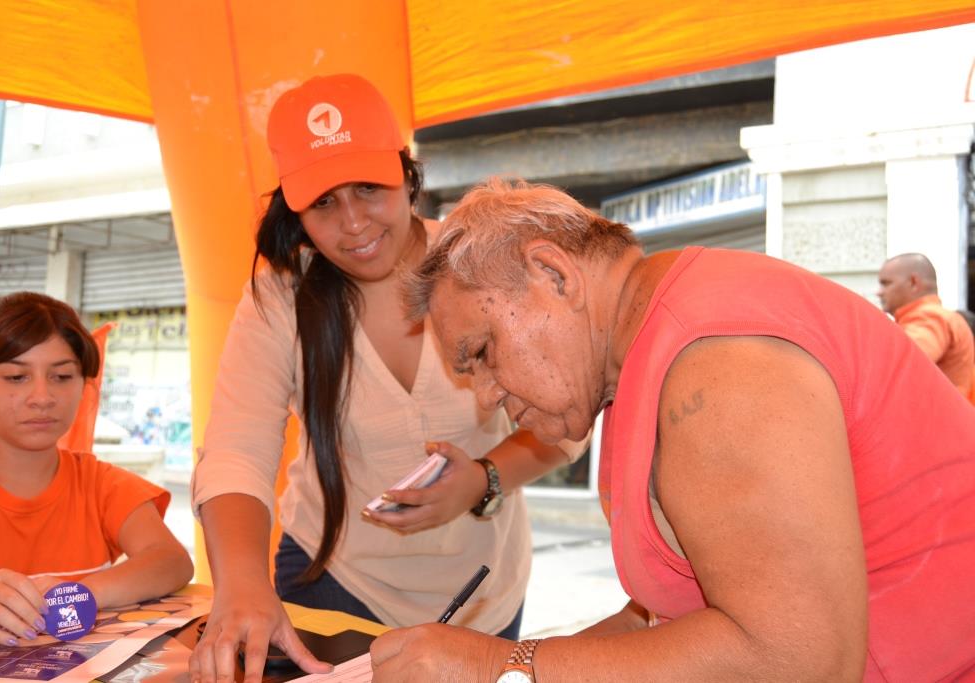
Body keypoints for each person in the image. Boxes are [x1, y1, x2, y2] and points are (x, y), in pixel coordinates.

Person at [372, 179, 975, 682]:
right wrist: (509, 667)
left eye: (482, 352)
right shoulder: (655, 350)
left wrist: (502, 662)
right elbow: (663, 620)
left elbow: (798, 659)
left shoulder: (711, 364)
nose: (486, 396)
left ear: (553, 275)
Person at [188, 75, 585, 682]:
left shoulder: (483, 264)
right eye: (323, 202)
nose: (353, 224)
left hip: (481, 593)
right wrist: (241, 586)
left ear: (407, 174)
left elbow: (567, 416)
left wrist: (484, 478)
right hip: (334, 579)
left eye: (369, 188)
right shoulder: (278, 297)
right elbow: (237, 450)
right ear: (294, 210)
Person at [0, 292, 193, 646]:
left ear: (85, 384)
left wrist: (80, 592)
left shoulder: (101, 484)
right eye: (17, 377)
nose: (42, 397)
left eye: (62, 377)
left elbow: (171, 561)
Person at [877, 252, 975, 396]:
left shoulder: (930, 317)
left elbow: (900, 363)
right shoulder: (935, 316)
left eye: (886, 283)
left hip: (938, 417)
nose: (879, 292)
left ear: (913, 283)